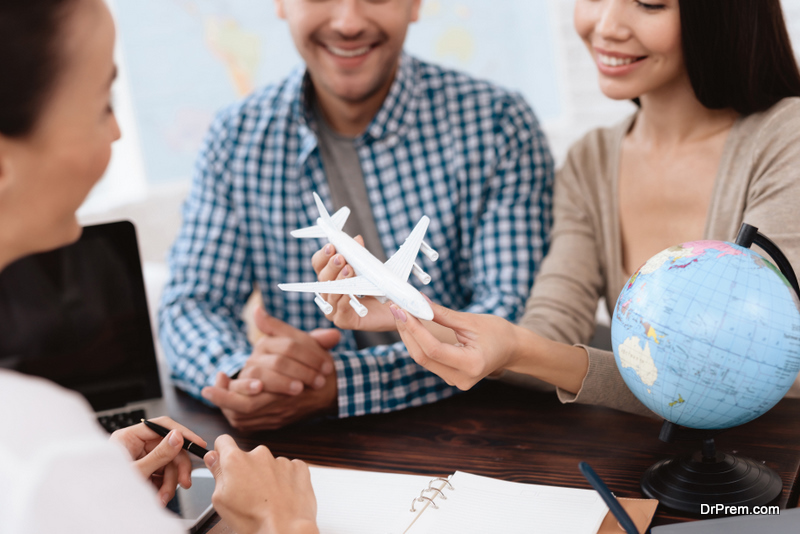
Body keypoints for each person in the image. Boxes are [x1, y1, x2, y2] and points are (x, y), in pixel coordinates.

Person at [320, 0, 800, 417]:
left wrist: (521, 351)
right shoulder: (590, 161)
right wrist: (417, 315)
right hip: (662, 464)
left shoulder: (787, 140)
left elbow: (733, 380)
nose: (605, 25)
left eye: (650, 3)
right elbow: (545, 334)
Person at [158, 0, 555, 430]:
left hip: (479, 426)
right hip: (310, 446)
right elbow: (190, 304)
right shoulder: (235, 139)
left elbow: (513, 320)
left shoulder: (496, 125)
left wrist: (339, 384)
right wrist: (245, 377)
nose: (347, 22)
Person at [0, 1, 317, 532]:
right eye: (102, 102)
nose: (118, 134)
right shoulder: (36, 443)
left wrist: (89, 480)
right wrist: (281, 522)